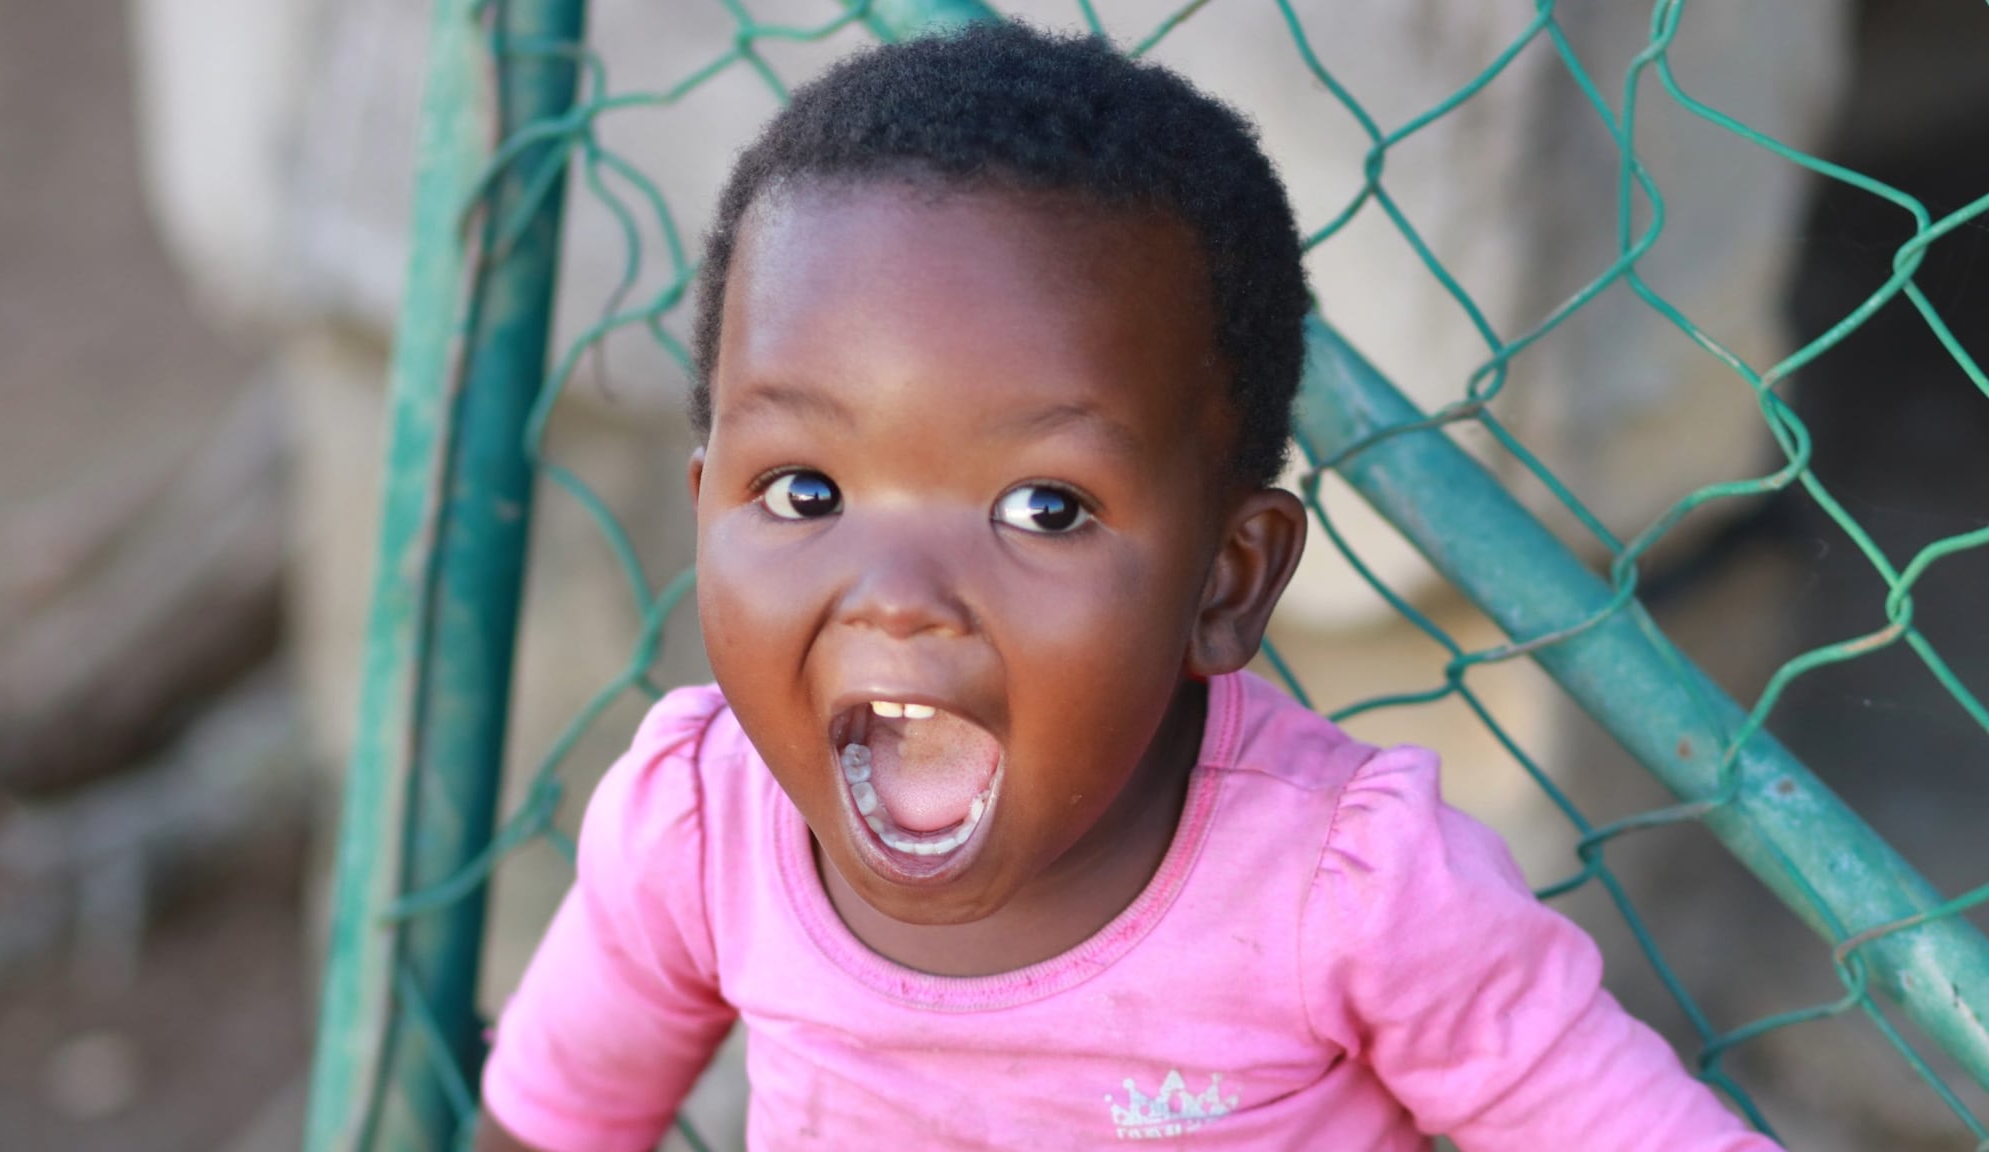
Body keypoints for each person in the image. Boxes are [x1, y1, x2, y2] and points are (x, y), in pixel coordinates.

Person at [477, 22, 1779, 1151]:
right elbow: (551, 1120)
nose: (900, 596)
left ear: (1229, 578)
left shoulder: (1351, 893)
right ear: (706, 502)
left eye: (1044, 509)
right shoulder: (699, 828)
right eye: (805, 493)